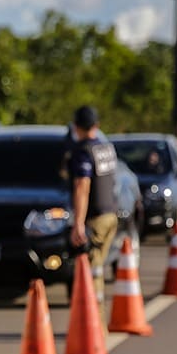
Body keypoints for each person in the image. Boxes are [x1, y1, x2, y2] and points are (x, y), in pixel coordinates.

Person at [67, 105, 118, 305]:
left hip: (95, 219)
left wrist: (78, 223)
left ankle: (93, 328)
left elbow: (82, 187)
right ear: (97, 125)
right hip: (110, 216)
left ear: (76, 126)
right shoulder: (106, 148)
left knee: (91, 274)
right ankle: (94, 325)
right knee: (96, 271)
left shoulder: (83, 151)